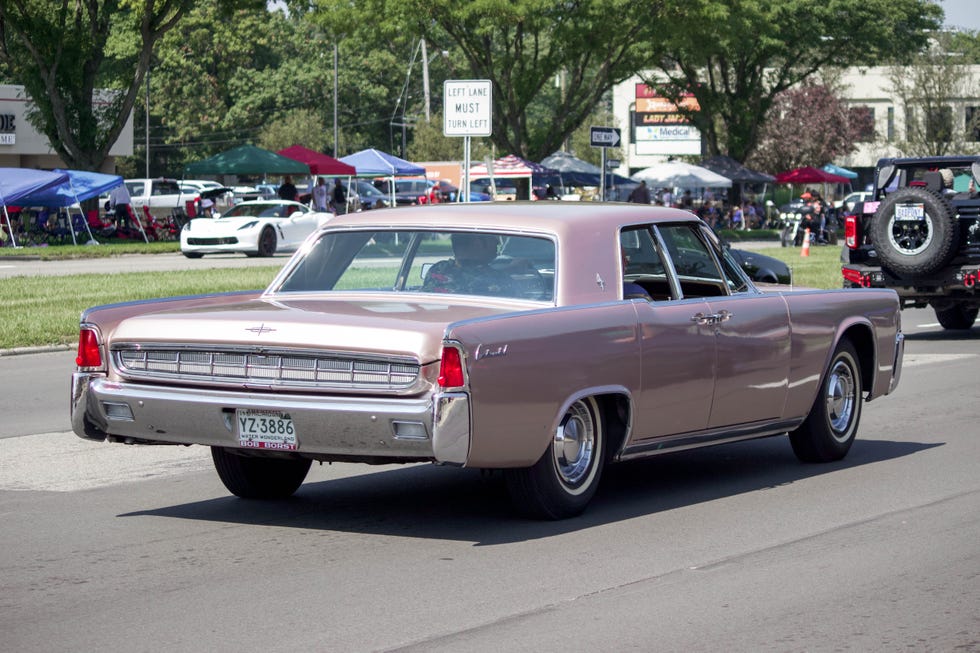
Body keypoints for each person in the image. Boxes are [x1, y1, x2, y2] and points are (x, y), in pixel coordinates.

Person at [422, 233, 515, 296]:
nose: (497, 243)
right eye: (492, 238)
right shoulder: (497, 279)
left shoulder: (437, 270)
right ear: (478, 243)